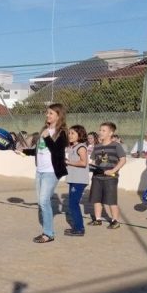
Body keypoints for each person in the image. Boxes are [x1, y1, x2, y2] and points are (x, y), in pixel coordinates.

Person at [18, 104, 69, 243]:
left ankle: (48, 234)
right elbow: (39, 150)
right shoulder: (44, 130)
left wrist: (47, 137)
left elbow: (57, 152)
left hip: (51, 172)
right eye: (47, 113)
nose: (47, 115)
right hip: (40, 171)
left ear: (59, 116)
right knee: (42, 202)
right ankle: (47, 231)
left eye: (51, 113)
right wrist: (24, 151)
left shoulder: (62, 132)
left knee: (43, 201)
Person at [88, 122, 127, 229]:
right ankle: (98, 219)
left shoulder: (116, 146)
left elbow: (123, 160)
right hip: (97, 176)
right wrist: (91, 166)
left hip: (110, 178)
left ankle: (115, 221)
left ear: (111, 133)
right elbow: (94, 161)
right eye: (100, 130)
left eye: (103, 130)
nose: (100, 132)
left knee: (111, 200)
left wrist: (113, 170)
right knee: (96, 199)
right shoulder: (97, 146)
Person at [64, 125, 90, 237]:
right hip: (73, 179)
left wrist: (69, 162)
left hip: (79, 180)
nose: (70, 135)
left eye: (73, 133)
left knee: (73, 204)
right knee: (72, 204)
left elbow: (84, 163)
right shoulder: (72, 147)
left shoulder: (81, 147)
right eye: (69, 133)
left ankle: (79, 228)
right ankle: (76, 227)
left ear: (80, 135)